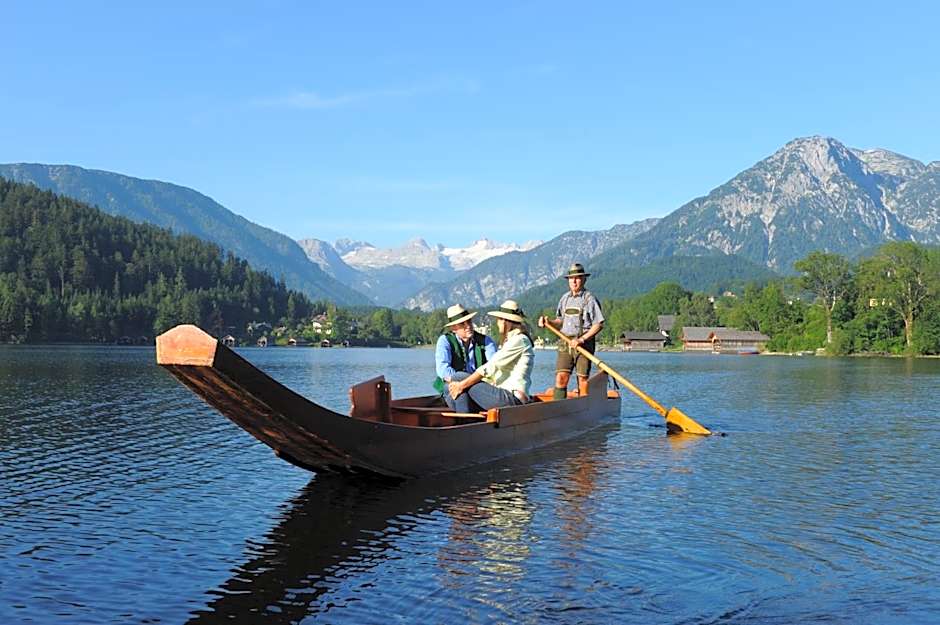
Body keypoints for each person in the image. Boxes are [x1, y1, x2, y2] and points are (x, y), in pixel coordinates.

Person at [448, 300, 534, 412]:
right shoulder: (513, 340)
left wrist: (461, 386)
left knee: (458, 377)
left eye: (498, 319)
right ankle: (465, 418)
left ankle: (465, 421)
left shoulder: (519, 340)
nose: (497, 323)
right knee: (449, 386)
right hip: (504, 395)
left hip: (512, 399)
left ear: (505, 321)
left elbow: (490, 366)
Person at [538, 263, 604, 400]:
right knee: (561, 378)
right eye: (571, 278)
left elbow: (598, 324)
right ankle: (558, 408)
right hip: (565, 344)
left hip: (583, 344)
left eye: (577, 278)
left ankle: (583, 409)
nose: (574, 281)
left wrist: (581, 340)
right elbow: (560, 321)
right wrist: (549, 322)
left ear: (584, 280)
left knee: (583, 381)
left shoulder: (590, 299)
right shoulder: (564, 299)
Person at [435, 304, 497, 412]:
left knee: (463, 389)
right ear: (453, 328)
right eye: (462, 324)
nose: (468, 326)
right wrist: (462, 384)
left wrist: (469, 383)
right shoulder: (445, 340)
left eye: (469, 321)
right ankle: (466, 422)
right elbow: (443, 370)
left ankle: (466, 423)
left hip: (479, 386)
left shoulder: (486, 341)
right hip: (451, 385)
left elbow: (494, 365)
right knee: (460, 391)